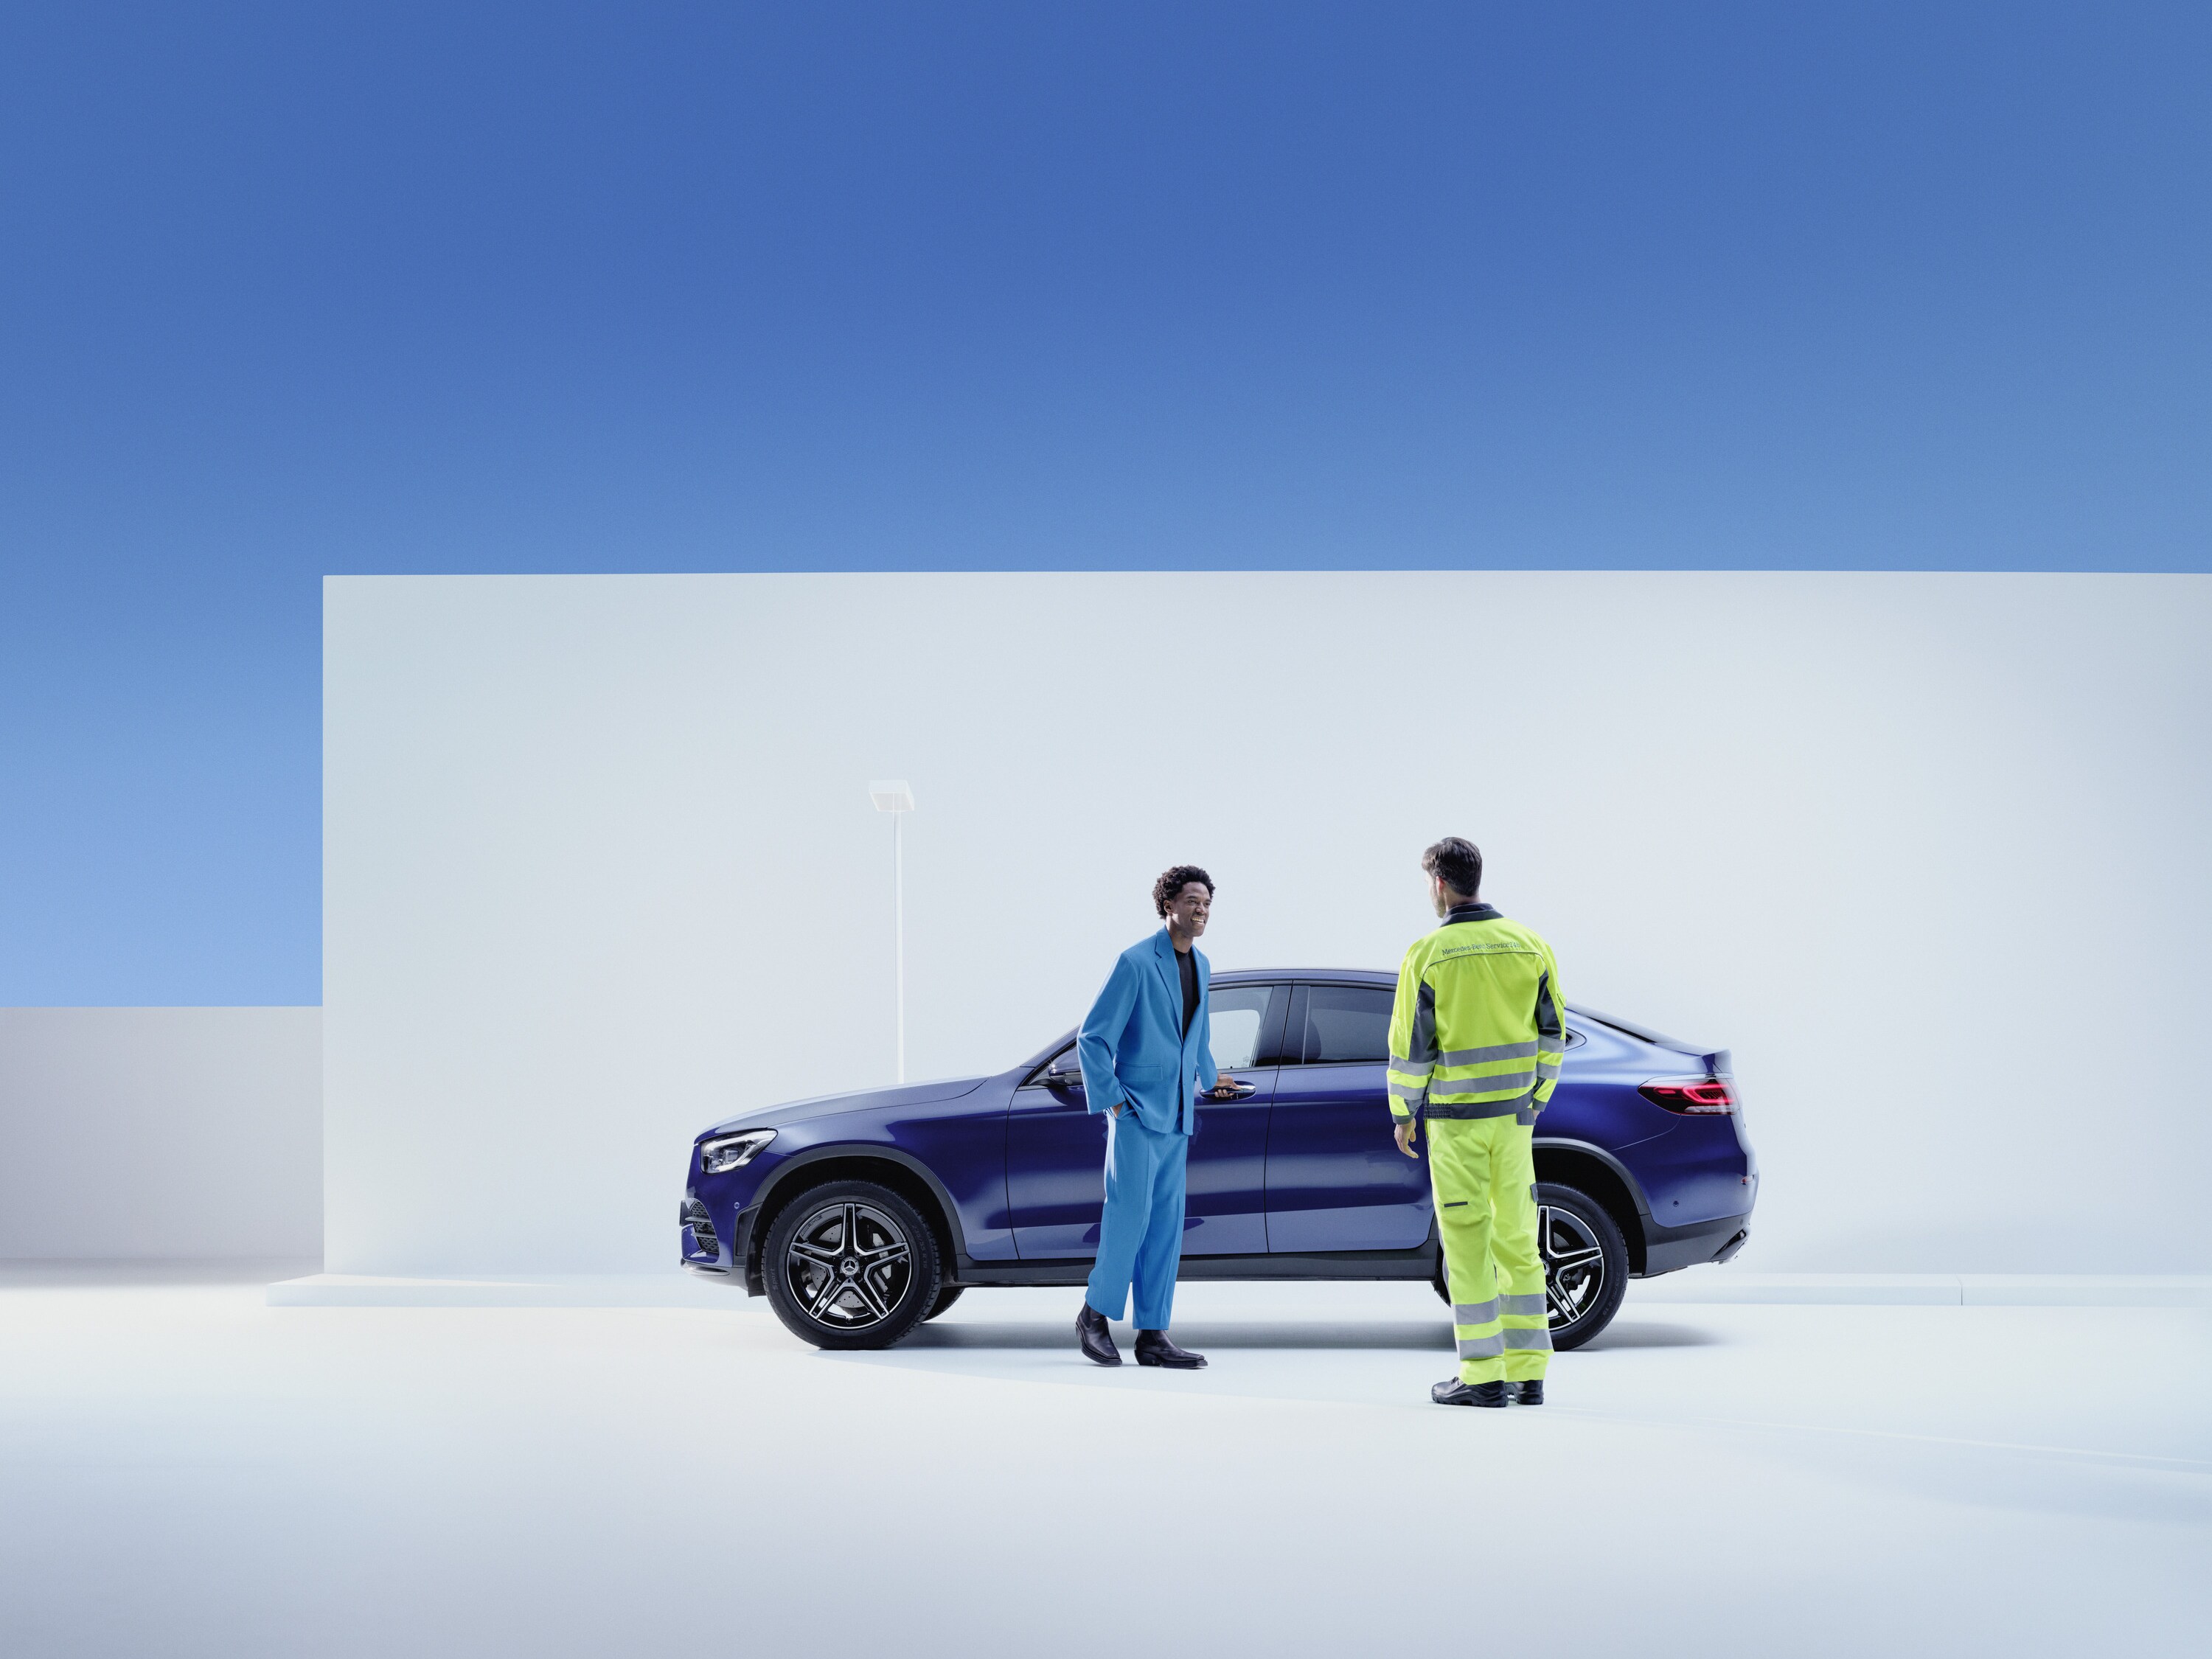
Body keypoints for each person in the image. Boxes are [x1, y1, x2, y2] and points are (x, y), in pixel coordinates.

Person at [1386, 837, 1566, 1408]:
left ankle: (1484, 1377)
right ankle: (1529, 1374)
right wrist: (1534, 1102)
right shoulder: (1530, 945)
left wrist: (1402, 1114)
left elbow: (1410, 1049)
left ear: (1439, 884)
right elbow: (1552, 1035)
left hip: (1457, 1127)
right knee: (1519, 1243)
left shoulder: (1427, 955)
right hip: (1513, 1125)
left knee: (1467, 1247)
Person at [1072, 864, 1234, 1368]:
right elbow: (1093, 1037)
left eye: (1206, 902)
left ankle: (1152, 1334)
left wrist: (1210, 1077)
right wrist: (1116, 1101)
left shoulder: (1203, 965)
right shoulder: (1136, 962)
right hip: (1138, 1115)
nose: (1200, 909)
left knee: (1165, 1224)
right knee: (1128, 1218)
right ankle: (1094, 1316)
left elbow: (1197, 1035)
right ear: (1168, 904)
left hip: (1179, 1116)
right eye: (1191, 900)